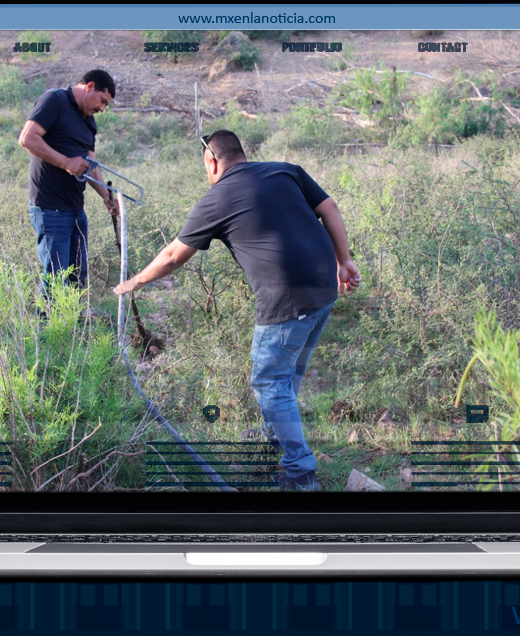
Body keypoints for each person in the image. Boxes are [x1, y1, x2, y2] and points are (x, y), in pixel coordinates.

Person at [113, 130, 361, 491]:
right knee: (285, 379)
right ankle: (271, 454)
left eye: (205, 167)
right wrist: (345, 262)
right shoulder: (285, 170)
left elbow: (171, 256)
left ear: (212, 162)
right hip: (322, 290)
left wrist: (132, 283)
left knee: (270, 381)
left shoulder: (218, 197)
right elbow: (329, 208)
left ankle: (301, 473)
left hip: (287, 300)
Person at [18, 69, 121, 301]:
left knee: (77, 277)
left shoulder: (89, 122)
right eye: (102, 101)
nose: (102, 108)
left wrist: (106, 196)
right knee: (56, 278)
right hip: (50, 209)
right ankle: (47, 335)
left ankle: (73, 331)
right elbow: (27, 138)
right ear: (90, 86)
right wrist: (65, 163)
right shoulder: (54, 100)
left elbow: (91, 164)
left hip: (76, 210)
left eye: (106, 105)